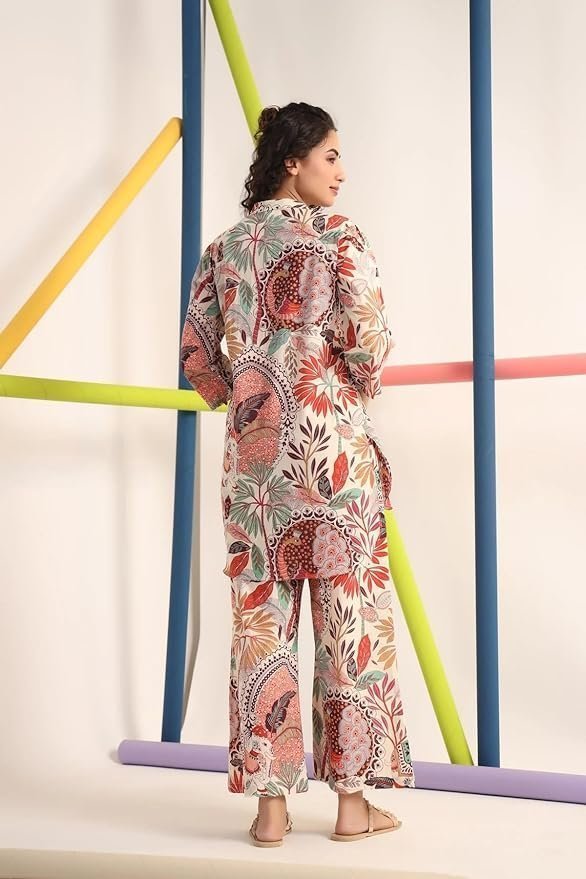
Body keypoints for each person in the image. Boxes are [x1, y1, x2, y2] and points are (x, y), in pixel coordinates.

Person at [180, 101, 414, 846]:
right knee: (349, 623)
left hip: (255, 468)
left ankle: (271, 811)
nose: (341, 172)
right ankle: (352, 805)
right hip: (331, 457)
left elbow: (196, 356)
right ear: (294, 160)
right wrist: (343, 383)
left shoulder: (224, 248)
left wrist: (244, 393)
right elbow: (368, 344)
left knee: (262, 624)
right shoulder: (338, 236)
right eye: (331, 156)